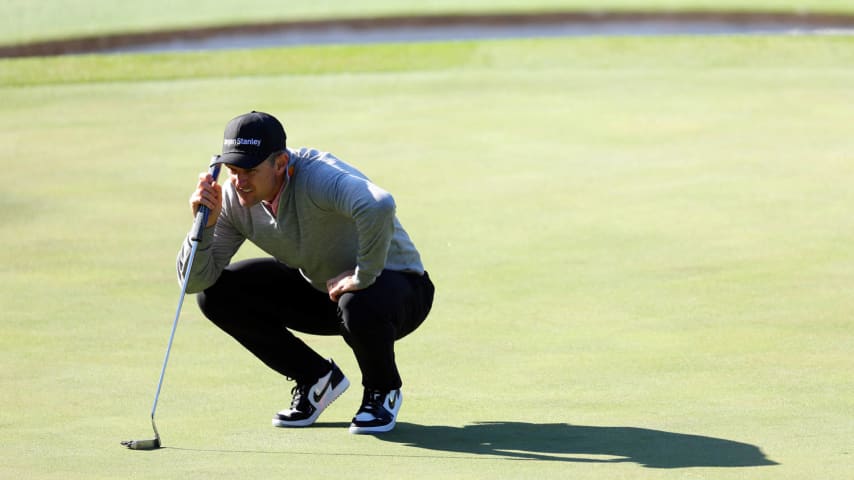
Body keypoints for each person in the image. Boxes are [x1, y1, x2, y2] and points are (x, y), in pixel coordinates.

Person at [178, 111, 434, 434]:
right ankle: (317, 379)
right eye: (233, 171)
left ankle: (382, 391)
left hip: (400, 290)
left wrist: (362, 276)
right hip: (324, 289)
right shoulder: (232, 199)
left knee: (356, 303)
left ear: (281, 163)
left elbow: (379, 204)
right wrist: (204, 225)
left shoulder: (316, 177)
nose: (240, 181)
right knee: (214, 294)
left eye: (251, 171)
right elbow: (195, 279)